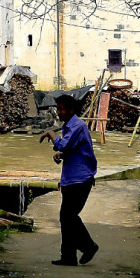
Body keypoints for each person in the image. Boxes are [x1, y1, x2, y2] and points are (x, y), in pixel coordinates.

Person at [39, 93, 99, 266]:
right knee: (66, 217)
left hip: (80, 179)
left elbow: (64, 144)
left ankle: (89, 246)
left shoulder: (77, 126)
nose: (59, 112)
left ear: (71, 110)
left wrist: (51, 134)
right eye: (58, 109)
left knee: (69, 216)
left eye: (61, 109)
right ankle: (68, 257)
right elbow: (71, 149)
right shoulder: (71, 126)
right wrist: (61, 155)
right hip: (71, 178)